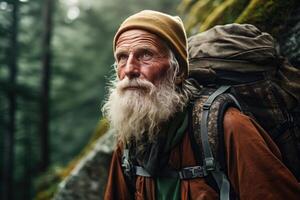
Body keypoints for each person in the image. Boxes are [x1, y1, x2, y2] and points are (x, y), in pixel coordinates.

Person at [102, 10, 300, 200]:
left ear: (178, 72)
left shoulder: (227, 126)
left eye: (145, 55)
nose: (129, 69)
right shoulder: (130, 138)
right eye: (122, 57)